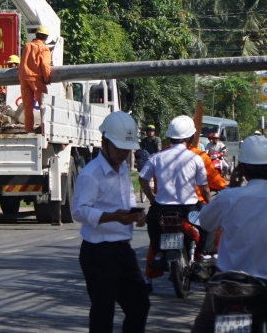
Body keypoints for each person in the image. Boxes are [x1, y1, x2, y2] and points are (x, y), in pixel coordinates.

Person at [191, 135, 267, 333]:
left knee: (204, 323)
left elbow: (205, 221)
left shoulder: (228, 197)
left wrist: (230, 188)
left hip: (226, 282)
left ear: (243, 169)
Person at [71, 111, 150, 333]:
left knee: (139, 305)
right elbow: (79, 212)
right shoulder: (91, 174)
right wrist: (113, 216)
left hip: (122, 250)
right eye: (119, 148)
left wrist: (137, 216)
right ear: (104, 142)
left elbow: (126, 201)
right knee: (103, 313)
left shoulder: (123, 168)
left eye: (127, 149)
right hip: (98, 253)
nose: (123, 154)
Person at [137, 114, 209, 279]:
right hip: (189, 208)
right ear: (190, 137)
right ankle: (201, 257)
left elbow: (142, 178)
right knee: (207, 225)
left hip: (162, 208)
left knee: (152, 223)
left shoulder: (157, 157)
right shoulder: (195, 158)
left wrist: (152, 199)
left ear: (169, 137)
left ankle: (159, 255)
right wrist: (209, 204)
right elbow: (204, 188)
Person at [18, 26, 53, 133]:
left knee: (27, 105)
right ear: (46, 37)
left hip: (24, 77)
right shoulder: (44, 48)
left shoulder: (27, 45)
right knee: (43, 104)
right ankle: (44, 128)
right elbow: (45, 65)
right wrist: (47, 79)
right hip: (36, 78)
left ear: (36, 35)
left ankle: (28, 129)